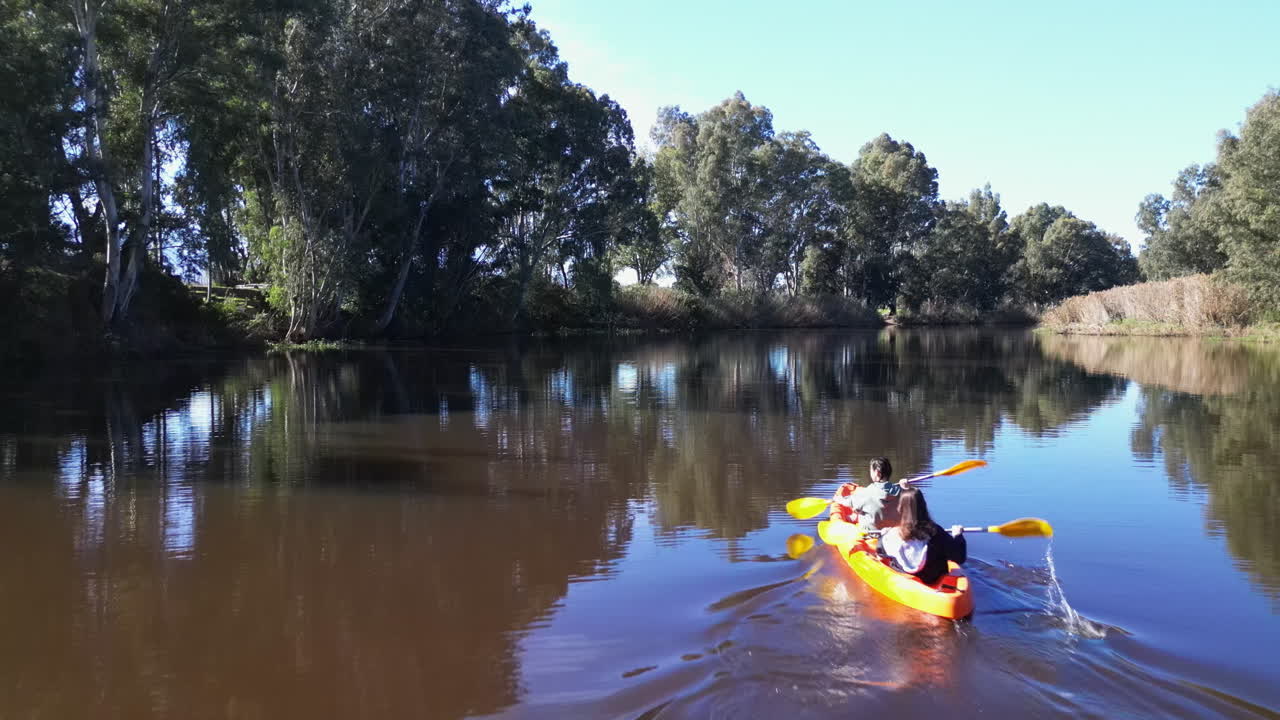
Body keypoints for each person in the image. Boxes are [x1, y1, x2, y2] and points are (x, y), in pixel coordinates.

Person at [877, 487, 966, 586]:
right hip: (932, 580)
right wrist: (958, 536)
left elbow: (880, 552)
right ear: (923, 506)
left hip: (903, 581)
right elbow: (959, 557)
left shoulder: (892, 535)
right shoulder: (935, 532)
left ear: (900, 508)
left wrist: (883, 535)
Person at [830, 457, 902, 530]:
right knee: (860, 511)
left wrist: (838, 499)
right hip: (893, 531)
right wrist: (906, 487)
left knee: (855, 512)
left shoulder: (866, 492)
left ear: (877, 473)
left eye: (871, 470)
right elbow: (913, 494)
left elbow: (848, 502)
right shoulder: (901, 491)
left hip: (871, 533)